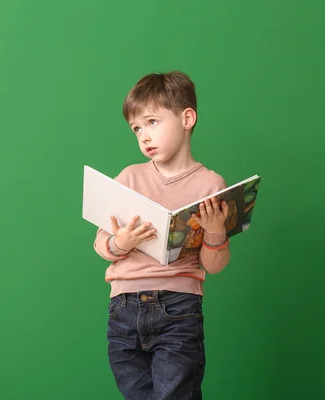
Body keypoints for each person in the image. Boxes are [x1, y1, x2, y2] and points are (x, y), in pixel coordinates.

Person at [94, 71, 231, 399]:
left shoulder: (211, 186)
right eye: (137, 128)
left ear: (186, 118)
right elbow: (101, 243)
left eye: (152, 122)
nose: (143, 136)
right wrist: (121, 243)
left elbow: (214, 264)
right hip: (123, 309)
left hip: (179, 308)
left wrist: (214, 232)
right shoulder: (129, 177)